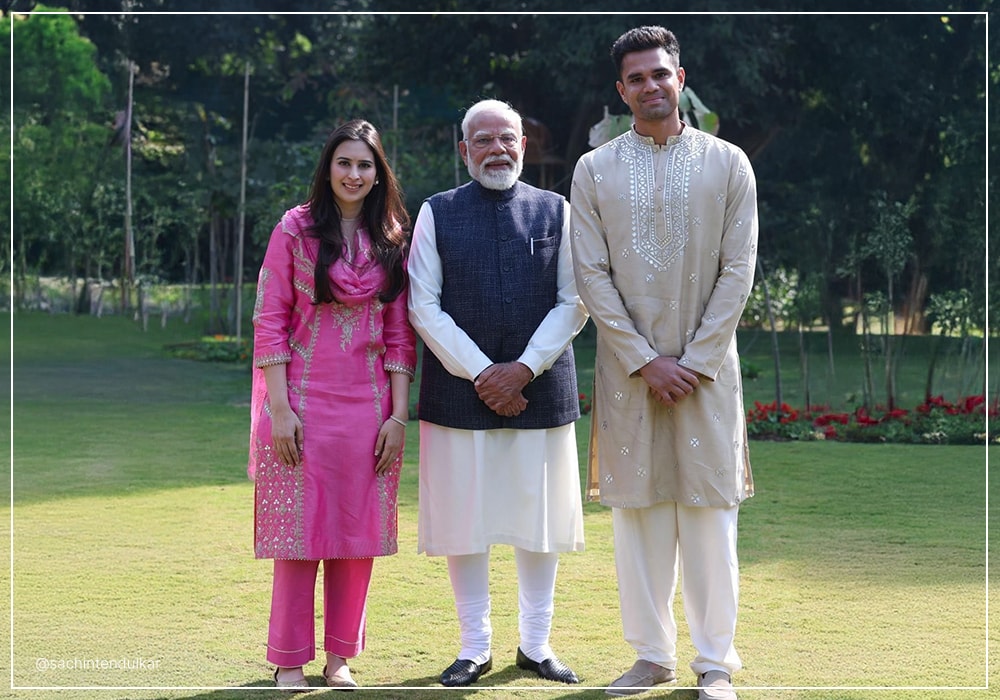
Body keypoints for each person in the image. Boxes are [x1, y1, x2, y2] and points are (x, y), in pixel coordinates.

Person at [569, 26, 757, 700]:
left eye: (660, 73)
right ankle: (652, 656)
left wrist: (695, 359)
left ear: (681, 78)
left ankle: (714, 663)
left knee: (709, 517)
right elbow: (590, 274)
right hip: (630, 376)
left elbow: (739, 271)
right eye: (636, 78)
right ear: (621, 91)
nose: (650, 85)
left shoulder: (728, 162)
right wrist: (646, 360)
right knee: (640, 517)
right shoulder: (594, 170)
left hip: (707, 377)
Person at [407, 98, 589, 687]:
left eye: (506, 138)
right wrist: (485, 373)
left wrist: (524, 370)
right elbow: (422, 305)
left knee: (539, 522)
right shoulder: (436, 213)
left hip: (540, 390)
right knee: (466, 521)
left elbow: (575, 300)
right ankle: (474, 647)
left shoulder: (556, 210)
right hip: (460, 394)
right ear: (464, 150)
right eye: (482, 140)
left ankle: (536, 646)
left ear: (524, 145)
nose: (496, 149)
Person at [247, 119, 416, 691]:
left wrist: (397, 417)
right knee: (298, 536)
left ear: (378, 173)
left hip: (367, 410)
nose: (354, 174)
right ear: (328, 168)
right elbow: (269, 319)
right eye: (344, 163)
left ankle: (340, 659)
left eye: (365, 165)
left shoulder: (392, 235)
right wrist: (279, 409)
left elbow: (399, 334)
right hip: (299, 402)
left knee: (354, 536)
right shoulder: (294, 230)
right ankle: (289, 659)